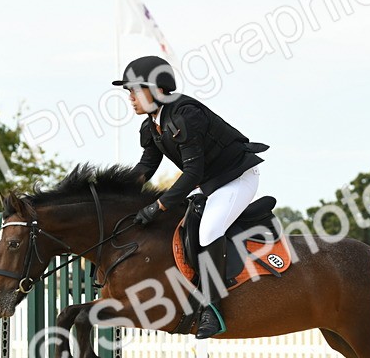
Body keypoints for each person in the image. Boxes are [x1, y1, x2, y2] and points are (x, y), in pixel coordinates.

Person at [114, 55, 268, 339]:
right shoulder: (152, 126)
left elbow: (193, 172)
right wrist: (116, 191)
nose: (131, 98)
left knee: (209, 229)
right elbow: (146, 167)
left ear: (157, 89)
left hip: (237, 177)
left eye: (135, 90)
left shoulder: (185, 114)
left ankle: (213, 308)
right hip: (210, 182)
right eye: (129, 92)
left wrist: (159, 206)